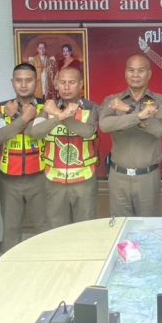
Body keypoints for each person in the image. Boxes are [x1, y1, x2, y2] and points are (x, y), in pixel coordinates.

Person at [99, 54, 162, 217]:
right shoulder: (113, 100)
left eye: (141, 70)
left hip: (147, 178)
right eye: (131, 70)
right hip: (119, 177)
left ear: (149, 74)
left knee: (148, 227)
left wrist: (128, 110)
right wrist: (139, 116)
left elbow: (158, 129)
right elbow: (105, 125)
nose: (135, 75)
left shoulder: (161, 102)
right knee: (120, 226)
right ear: (125, 73)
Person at [29, 66, 99, 228]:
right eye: (63, 82)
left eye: (72, 82)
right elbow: (35, 132)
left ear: (80, 84)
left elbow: (88, 132)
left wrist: (61, 115)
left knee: (85, 228)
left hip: (84, 180)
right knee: (57, 229)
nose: (66, 87)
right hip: (54, 181)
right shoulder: (48, 109)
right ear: (56, 84)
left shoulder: (91, 108)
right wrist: (58, 115)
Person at [0, 64, 49, 253]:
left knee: (44, 228)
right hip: (9, 178)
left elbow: (37, 133)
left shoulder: (46, 107)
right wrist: (22, 118)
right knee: (11, 228)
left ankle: (46, 265)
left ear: (36, 82)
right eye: (18, 80)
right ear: (12, 82)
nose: (23, 85)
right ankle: (10, 267)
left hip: (40, 176)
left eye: (28, 80)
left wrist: (15, 116)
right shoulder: (0, 108)